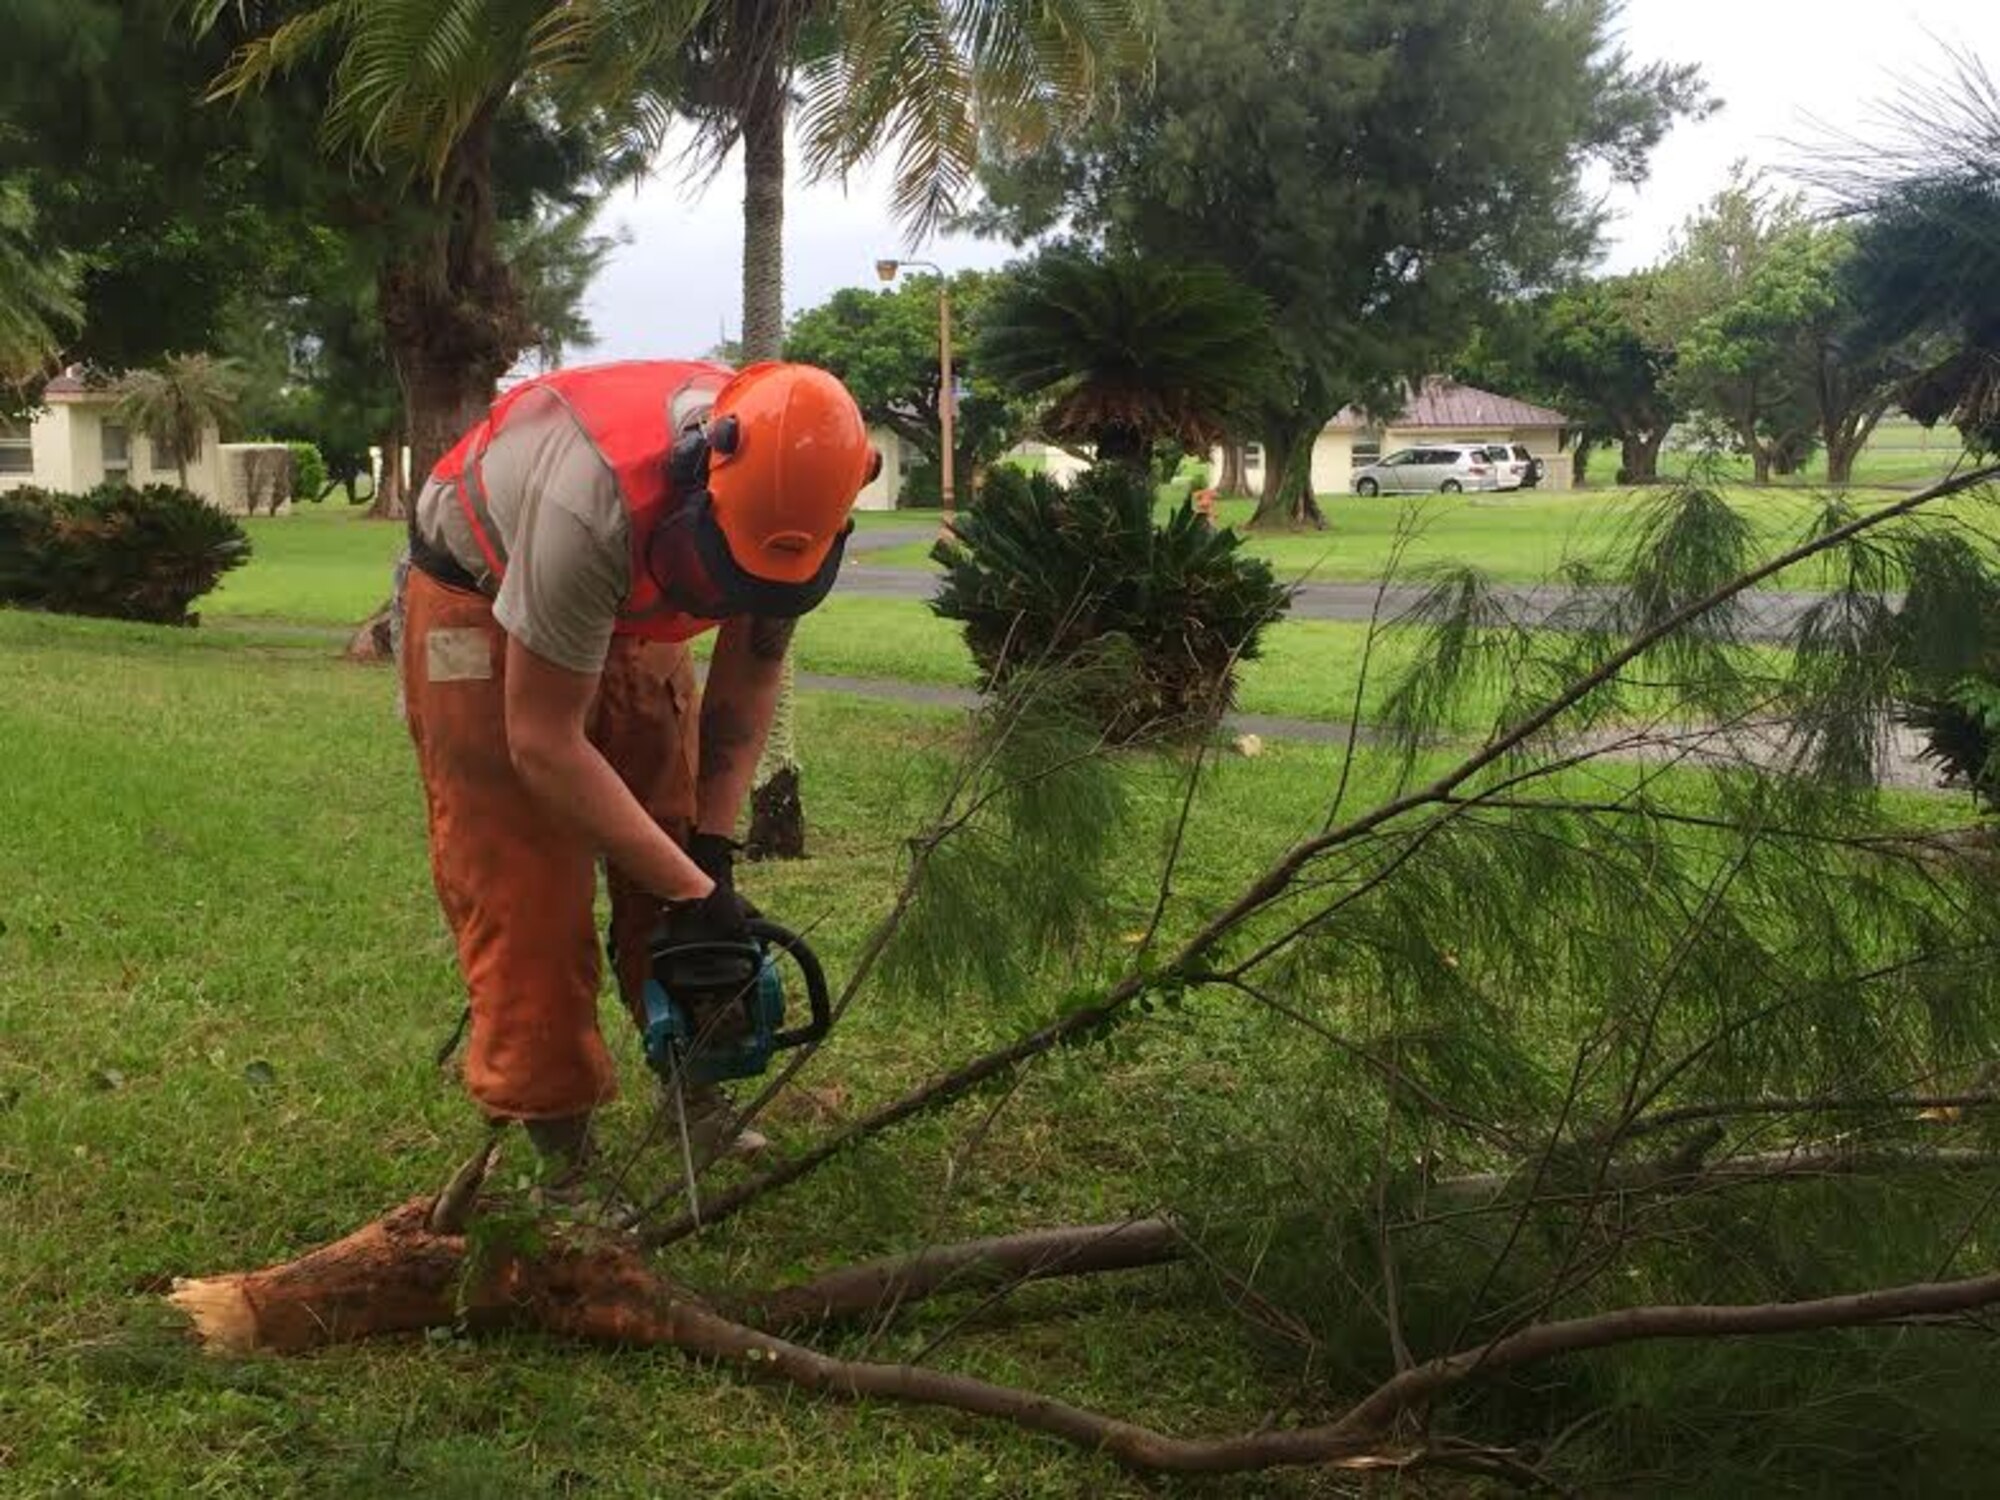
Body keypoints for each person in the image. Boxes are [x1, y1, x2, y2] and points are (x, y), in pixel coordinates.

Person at [394, 358, 876, 1189]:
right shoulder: (591, 499)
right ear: (705, 473)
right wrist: (698, 891)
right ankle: (566, 1162)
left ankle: (695, 1096)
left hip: (633, 599)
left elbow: (750, 673)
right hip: (484, 592)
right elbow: (542, 741)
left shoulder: (800, 495)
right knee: (525, 883)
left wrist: (709, 861)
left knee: (669, 839)